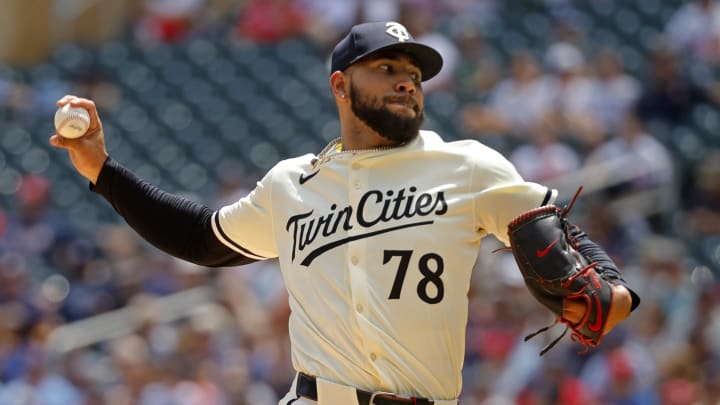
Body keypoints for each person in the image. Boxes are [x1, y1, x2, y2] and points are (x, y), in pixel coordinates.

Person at [51, 21, 638, 405]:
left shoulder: (469, 166)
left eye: (413, 75)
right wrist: (104, 172)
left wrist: (611, 288)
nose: (406, 83)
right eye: (386, 69)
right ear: (340, 85)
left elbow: (560, 231)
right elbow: (203, 238)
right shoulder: (292, 182)